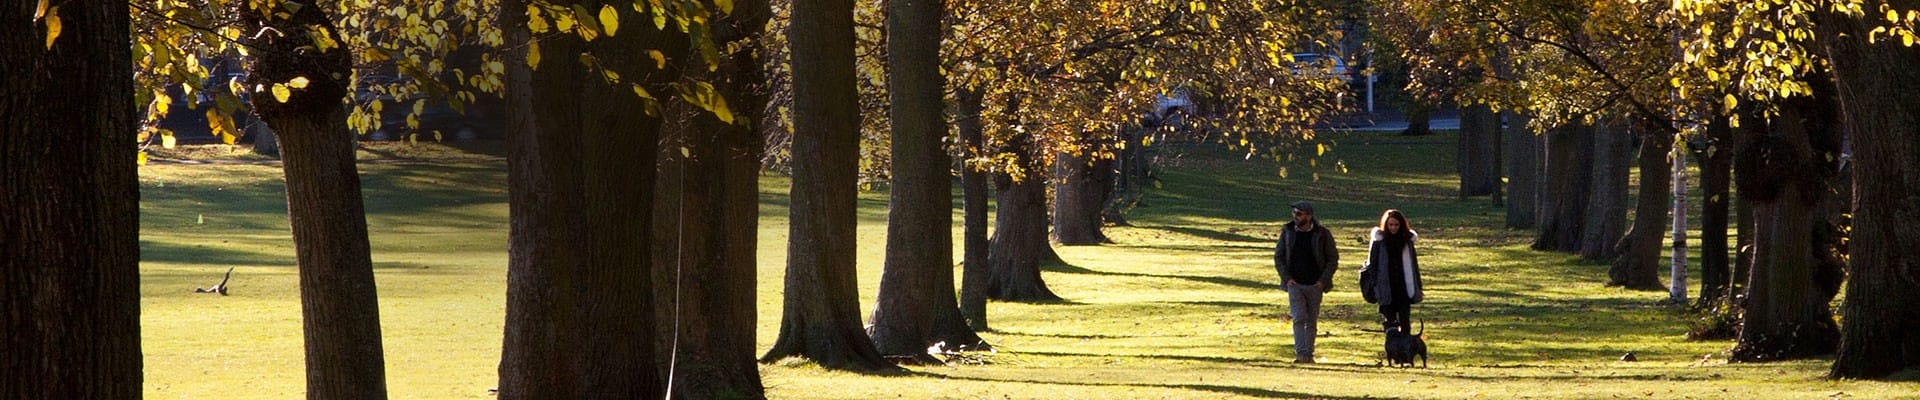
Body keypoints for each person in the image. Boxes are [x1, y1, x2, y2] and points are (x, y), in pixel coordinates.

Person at [1274, 201, 1338, 363]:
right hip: (1294, 284)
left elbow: (1332, 259)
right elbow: (1279, 256)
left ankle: (1308, 354)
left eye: (1299, 213)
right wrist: (1287, 279)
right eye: (1294, 213)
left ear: (1309, 216)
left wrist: (1323, 281)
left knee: (1311, 320)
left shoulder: (1322, 234)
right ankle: (1301, 353)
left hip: (1315, 284)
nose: (1295, 216)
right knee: (1299, 318)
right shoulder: (1288, 232)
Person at [1359, 209, 1423, 331]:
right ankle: (1393, 348)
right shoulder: (1379, 242)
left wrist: (1418, 286)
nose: (1393, 228)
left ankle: (1406, 346)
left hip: (1403, 286)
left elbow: (1414, 265)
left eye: (1396, 225)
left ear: (1401, 225)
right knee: (1390, 323)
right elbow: (1373, 264)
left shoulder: (1407, 241)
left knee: (1405, 320)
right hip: (1386, 287)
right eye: (1390, 225)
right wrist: (1375, 286)